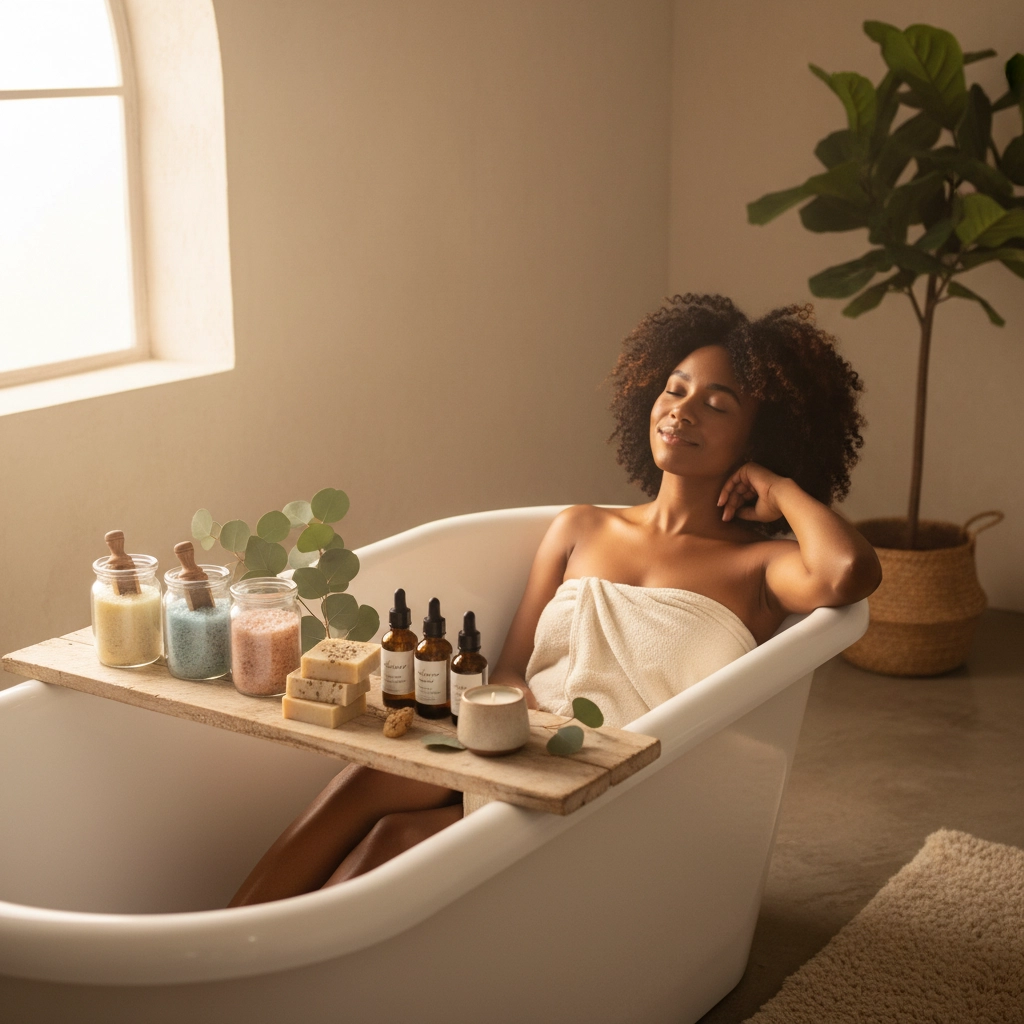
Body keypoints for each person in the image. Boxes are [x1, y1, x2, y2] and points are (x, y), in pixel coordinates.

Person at [228, 293, 881, 907]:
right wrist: (519, 735)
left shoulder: (760, 567)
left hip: (625, 779)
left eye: (718, 404)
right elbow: (510, 669)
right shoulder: (581, 528)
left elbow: (850, 572)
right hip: (523, 742)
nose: (682, 409)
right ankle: (226, 947)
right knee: (365, 783)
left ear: (758, 439)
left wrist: (783, 488)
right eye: (675, 388)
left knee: (399, 839)